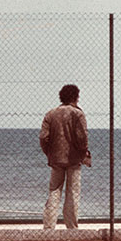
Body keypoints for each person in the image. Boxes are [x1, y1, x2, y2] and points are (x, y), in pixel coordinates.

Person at [39, 84, 90, 229]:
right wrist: (83, 152)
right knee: (72, 193)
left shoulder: (51, 114)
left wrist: (49, 153)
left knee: (54, 191)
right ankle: (71, 227)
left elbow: (43, 137)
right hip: (74, 160)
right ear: (75, 97)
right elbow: (82, 138)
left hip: (55, 159)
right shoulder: (77, 114)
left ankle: (49, 227)